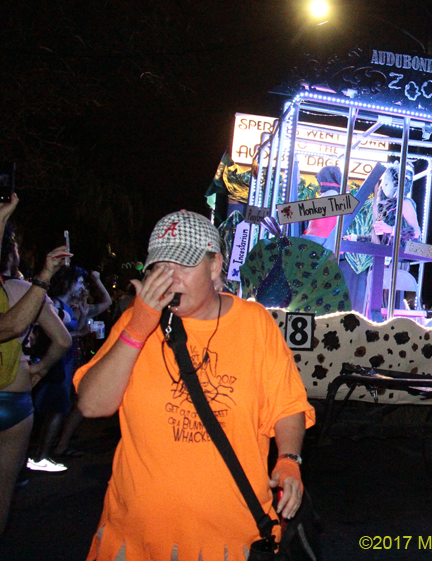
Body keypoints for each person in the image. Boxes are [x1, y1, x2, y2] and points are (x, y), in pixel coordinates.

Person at [74, 210, 315, 561]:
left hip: (231, 539)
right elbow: (92, 405)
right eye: (160, 267)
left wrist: (289, 459)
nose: (169, 280)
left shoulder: (254, 325)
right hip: (135, 537)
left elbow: (287, 404)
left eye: (182, 266)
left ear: (215, 266)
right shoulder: (136, 321)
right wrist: (139, 327)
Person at [0, 195, 72, 535]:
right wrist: (40, 369)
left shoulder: (17, 288)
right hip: (15, 396)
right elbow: (60, 340)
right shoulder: (24, 290)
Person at [29, 266, 111, 467]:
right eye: (80, 282)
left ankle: (44, 453)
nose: (83, 286)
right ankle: (41, 456)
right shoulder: (54, 305)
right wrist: (77, 332)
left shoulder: (66, 307)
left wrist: (82, 316)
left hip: (64, 362)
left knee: (56, 408)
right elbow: (56, 336)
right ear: (68, 283)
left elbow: (99, 310)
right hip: (55, 363)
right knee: (55, 408)